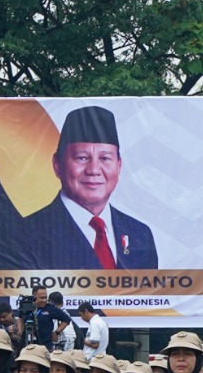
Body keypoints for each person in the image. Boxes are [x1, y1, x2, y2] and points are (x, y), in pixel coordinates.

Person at [18, 106, 159, 270]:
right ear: (57, 165)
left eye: (105, 158)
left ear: (119, 166)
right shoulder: (25, 234)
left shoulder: (139, 234)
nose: (93, 170)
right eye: (82, 158)